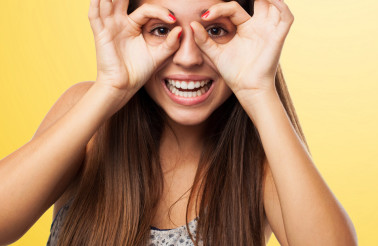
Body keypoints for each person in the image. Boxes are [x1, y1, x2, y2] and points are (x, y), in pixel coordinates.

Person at [0, 0, 357, 245]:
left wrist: (259, 89)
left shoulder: (264, 163)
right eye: (160, 30)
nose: (188, 58)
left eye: (215, 31)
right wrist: (110, 88)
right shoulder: (88, 115)